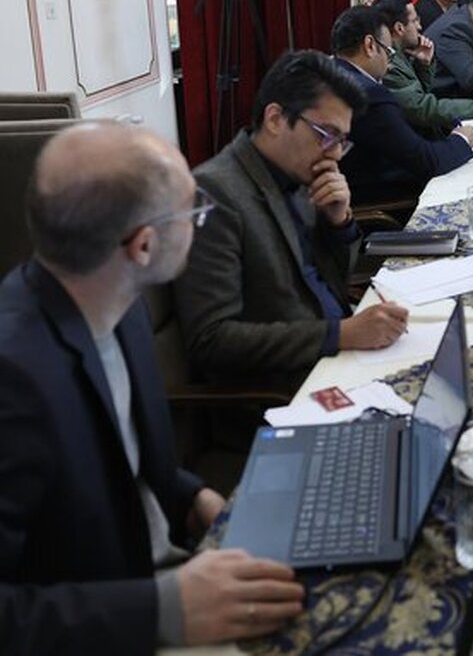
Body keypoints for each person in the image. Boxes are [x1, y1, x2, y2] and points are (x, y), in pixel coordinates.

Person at [0, 121, 305, 653]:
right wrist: (162, 610)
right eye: (192, 211)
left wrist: (193, 497)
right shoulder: (15, 380)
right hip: (116, 621)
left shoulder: (117, 302)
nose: (199, 222)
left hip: (164, 568)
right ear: (143, 245)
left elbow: (118, 457)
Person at [174, 50, 411, 391]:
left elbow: (332, 281)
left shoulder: (297, 172)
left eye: (341, 141)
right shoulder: (215, 193)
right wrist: (339, 334)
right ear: (275, 119)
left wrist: (339, 223)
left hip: (337, 349)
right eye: (326, 134)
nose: (334, 153)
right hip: (284, 387)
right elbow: (211, 339)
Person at [330, 4, 473, 202]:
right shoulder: (369, 94)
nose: (389, 64)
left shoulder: (331, 74)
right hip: (379, 196)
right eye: (388, 52)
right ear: (370, 45)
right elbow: (426, 162)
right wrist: (461, 139)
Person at [373, 0, 473, 140]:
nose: (420, 27)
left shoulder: (402, 55)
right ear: (399, 28)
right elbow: (423, 109)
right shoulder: (388, 63)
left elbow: (419, 96)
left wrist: (424, 66)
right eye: (414, 21)